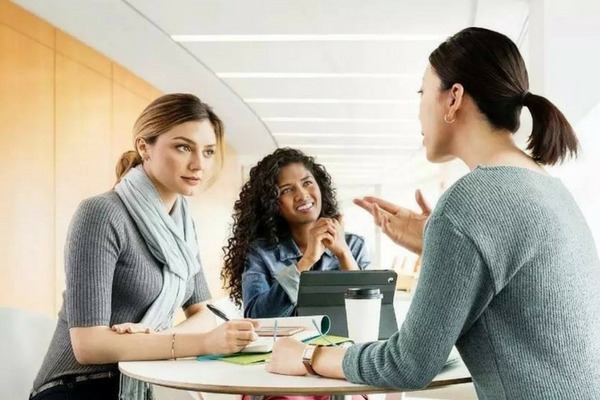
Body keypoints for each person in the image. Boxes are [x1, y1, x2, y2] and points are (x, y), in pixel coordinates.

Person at [265, 27, 600, 400]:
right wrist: (435, 242)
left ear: (453, 98)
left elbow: (408, 364)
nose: (419, 109)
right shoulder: (546, 186)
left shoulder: (472, 200)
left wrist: (309, 355)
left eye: (422, 92)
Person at [31, 94, 259, 400]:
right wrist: (205, 342)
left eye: (207, 152)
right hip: (76, 387)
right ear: (144, 147)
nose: (198, 164)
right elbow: (88, 345)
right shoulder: (101, 213)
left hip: (137, 383)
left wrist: (156, 337)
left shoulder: (181, 224)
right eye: (183, 147)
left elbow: (204, 312)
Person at [222, 148, 370, 318]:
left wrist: (344, 254)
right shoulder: (262, 253)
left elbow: (367, 316)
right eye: (286, 190)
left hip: (344, 345)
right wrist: (306, 262)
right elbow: (256, 317)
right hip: (286, 345)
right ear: (272, 203)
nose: (302, 195)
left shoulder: (353, 245)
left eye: (307, 183)